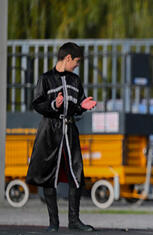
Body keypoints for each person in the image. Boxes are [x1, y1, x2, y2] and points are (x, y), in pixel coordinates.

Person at [26, 42, 96, 232]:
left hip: (70, 131)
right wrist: (54, 105)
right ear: (67, 58)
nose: (77, 65)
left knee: (76, 174)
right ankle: (53, 223)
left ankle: (74, 220)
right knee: (50, 175)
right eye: (76, 61)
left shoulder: (75, 80)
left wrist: (84, 105)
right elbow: (37, 104)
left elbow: (77, 105)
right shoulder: (46, 79)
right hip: (50, 131)